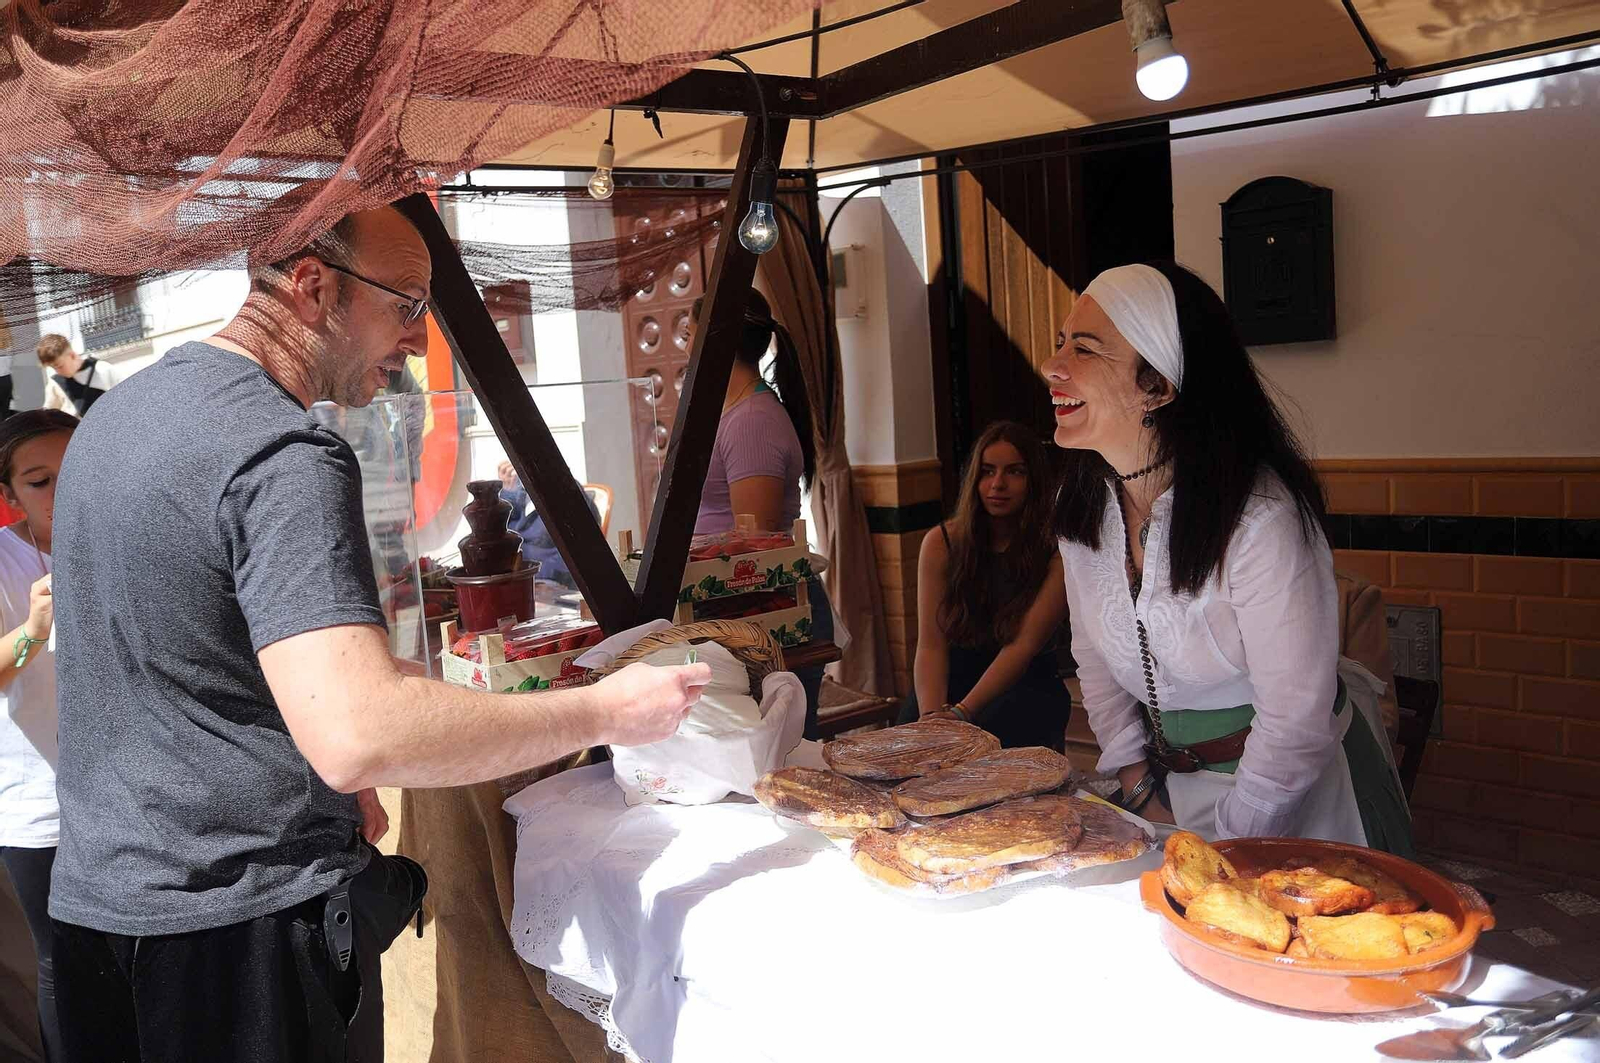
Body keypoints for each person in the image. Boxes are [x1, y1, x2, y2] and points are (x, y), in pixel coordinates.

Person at [46, 205, 711, 1063]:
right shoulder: (280, 451)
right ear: (315, 287)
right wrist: (605, 712)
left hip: (97, 913)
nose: (415, 334)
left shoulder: (112, 422)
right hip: (237, 940)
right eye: (405, 303)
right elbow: (360, 735)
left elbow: (188, 650)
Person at [1045, 262, 1412, 853]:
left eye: (1084, 349)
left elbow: (1292, 723)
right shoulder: (1083, 502)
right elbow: (1092, 653)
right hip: (1168, 794)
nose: (1052, 366)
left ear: (1158, 387)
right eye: (1060, 342)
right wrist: (1138, 783)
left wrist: (1231, 842)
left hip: (1297, 801)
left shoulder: (1261, 518)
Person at [690, 288, 834, 736]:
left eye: (691, 336)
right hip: (736, 618)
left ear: (712, 340)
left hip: (766, 615)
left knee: (778, 768)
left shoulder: (753, 420)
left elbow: (757, 547)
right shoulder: (731, 413)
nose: (688, 350)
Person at [899, 421, 1072, 750]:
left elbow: (1022, 646)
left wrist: (963, 715)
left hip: (1024, 685)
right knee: (907, 766)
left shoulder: (1057, 550)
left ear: (1034, 480)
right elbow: (931, 646)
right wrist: (932, 718)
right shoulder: (942, 542)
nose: (998, 484)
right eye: (987, 471)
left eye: (1015, 472)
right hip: (950, 682)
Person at [0, 409, 77, 1061]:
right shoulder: (5, 561)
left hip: (138, 795)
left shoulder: (130, 538)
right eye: (40, 479)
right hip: (42, 807)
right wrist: (36, 628)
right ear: (9, 496)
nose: (63, 490)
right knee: (67, 966)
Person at [497, 459, 601, 589]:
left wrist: (549, 579)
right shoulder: (518, 494)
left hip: (551, 583)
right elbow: (504, 536)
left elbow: (582, 548)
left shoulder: (564, 491)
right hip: (520, 579)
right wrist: (506, 493)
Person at [35, 336, 123, 417]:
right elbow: (49, 417)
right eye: (53, 367)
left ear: (72, 355)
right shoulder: (55, 384)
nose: (57, 371)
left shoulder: (103, 370)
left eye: (60, 366)